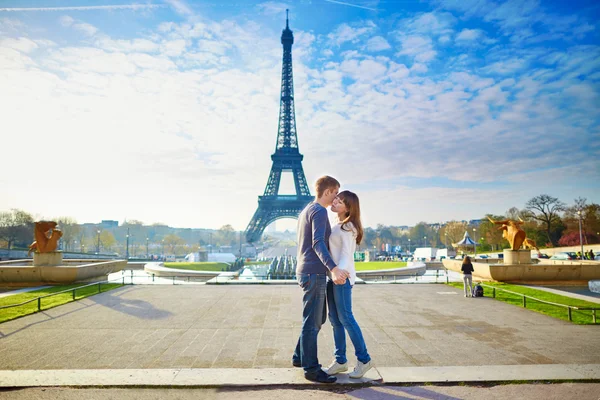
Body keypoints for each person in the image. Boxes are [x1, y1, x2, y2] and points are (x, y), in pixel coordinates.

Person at [292, 176, 350, 383]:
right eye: (335, 193)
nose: (336, 198)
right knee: (314, 322)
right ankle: (311, 369)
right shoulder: (319, 211)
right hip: (314, 271)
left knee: (315, 318)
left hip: (306, 270)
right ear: (327, 191)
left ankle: (300, 357)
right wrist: (333, 268)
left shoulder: (307, 210)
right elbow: (318, 243)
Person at [325, 191, 373, 379]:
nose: (335, 201)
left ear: (348, 208)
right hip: (334, 276)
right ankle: (341, 361)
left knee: (346, 318)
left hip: (341, 278)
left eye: (340, 201)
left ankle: (364, 359)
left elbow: (347, 253)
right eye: (336, 198)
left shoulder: (348, 227)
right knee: (335, 320)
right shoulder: (337, 224)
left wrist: (339, 273)